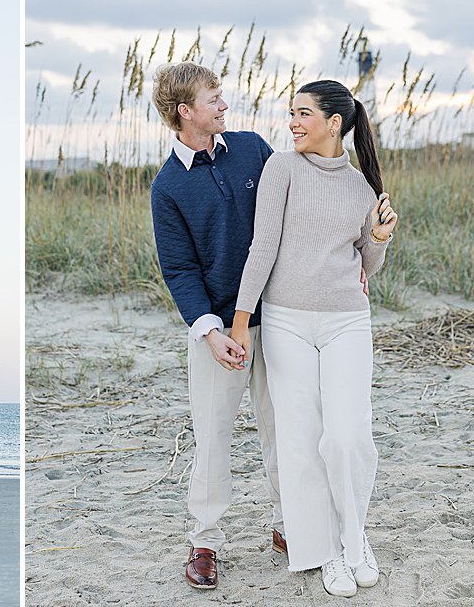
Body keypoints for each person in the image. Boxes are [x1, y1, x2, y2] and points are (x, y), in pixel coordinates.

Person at [229, 79, 398, 598]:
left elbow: (368, 268)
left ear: (334, 123)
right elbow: (263, 248)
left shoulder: (362, 188)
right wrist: (240, 321)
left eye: (303, 114)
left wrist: (380, 236)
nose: (293, 123)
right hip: (285, 322)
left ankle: (355, 536)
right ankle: (325, 554)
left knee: (347, 437)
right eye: (291, 113)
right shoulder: (281, 167)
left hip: (347, 320)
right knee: (301, 441)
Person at [149, 60, 285, 591]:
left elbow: (291, 213)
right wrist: (210, 331)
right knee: (212, 436)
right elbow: (179, 269)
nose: (224, 105)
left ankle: (286, 526)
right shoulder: (167, 188)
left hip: (277, 317)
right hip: (216, 332)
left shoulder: (252, 148)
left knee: (284, 429)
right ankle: (205, 541)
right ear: (186, 112)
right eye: (214, 99)